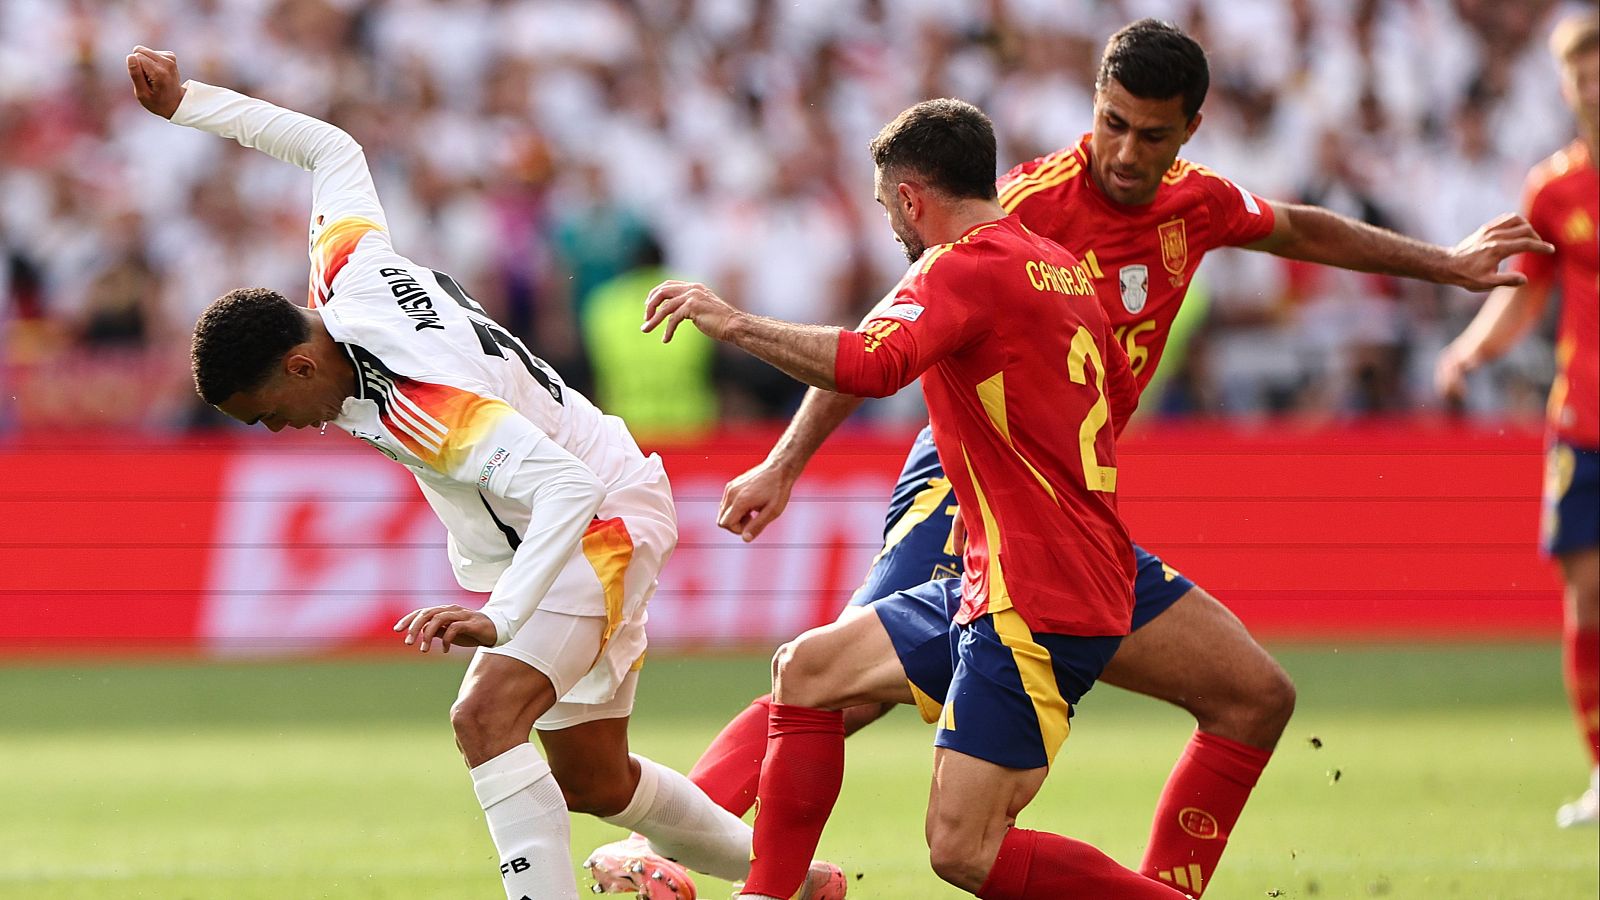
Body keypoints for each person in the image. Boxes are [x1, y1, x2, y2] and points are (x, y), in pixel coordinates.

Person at [595, 18, 1554, 898]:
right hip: (969, 479)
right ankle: (671, 851)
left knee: (1255, 698)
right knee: (831, 686)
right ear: (1092, 105)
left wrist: (1446, 262)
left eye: (1153, 134)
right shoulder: (1020, 209)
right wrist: (788, 461)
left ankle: (1160, 890)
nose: (1127, 153)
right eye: (1113, 124)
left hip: (1072, 502)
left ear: (1190, 130)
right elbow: (886, 340)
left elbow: (1302, 228)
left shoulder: (1200, 204)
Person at [126, 46, 845, 900]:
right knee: (595, 782)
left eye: (266, 411)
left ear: (298, 366)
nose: (278, 429)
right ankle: (803, 888)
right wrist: (187, 104)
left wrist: (498, 618)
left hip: (597, 514)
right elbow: (332, 151)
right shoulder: (346, 271)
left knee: (484, 716)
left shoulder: (420, 400)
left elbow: (565, 493)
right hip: (569, 509)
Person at [642, 96, 1192, 899]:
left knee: (962, 850)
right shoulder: (1059, 264)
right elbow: (1111, 391)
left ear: (910, 197)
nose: (891, 230)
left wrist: (731, 323)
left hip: (1037, 597)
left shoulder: (960, 265)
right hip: (999, 575)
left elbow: (869, 364)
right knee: (808, 669)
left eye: (885, 207)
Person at [1437, 11, 1599, 829]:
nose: (1594, 86)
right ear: (1566, 85)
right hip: (1583, 420)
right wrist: (1468, 353)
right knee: (1587, 597)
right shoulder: (1554, 189)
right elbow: (1527, 296)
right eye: (1582, 73)